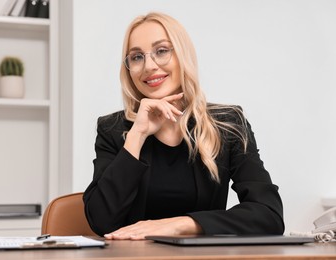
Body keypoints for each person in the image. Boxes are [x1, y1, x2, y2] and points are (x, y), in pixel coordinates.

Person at [83, 12, 284, 240]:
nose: (149, 66)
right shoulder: (113, 129)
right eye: (137, 57)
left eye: (161, 51)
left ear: (182, 56)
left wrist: (182, 224)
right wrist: (137, 135)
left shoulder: (228, 123)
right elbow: (101, 220)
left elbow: (269, 215)